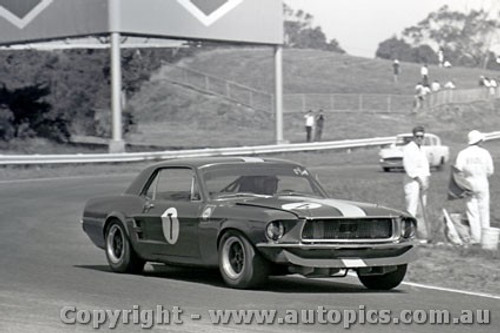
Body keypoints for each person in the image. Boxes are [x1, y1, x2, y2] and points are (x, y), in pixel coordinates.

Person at [455, 130, 494, 245]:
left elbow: (458, 170)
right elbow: (490, 171)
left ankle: (476, 237)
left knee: (472, 211)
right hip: (482, 182)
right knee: (484, 210)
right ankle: (486, 238)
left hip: (469, 183)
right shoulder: (485, 153)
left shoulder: (463, 153)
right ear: (479, 140)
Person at [402, 126, 431, 243]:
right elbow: (409, 168)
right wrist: (419, 181)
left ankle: (421, 235)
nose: (419, 138)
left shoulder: (422, 149)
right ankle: (408, 235)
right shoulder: (409, 149)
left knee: (421, 209)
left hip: (423, 182)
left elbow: (425, 166)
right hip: (413, 182)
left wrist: (426, 180)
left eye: (421, 136)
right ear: (413, 136)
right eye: (417, 136)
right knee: (412, 209)